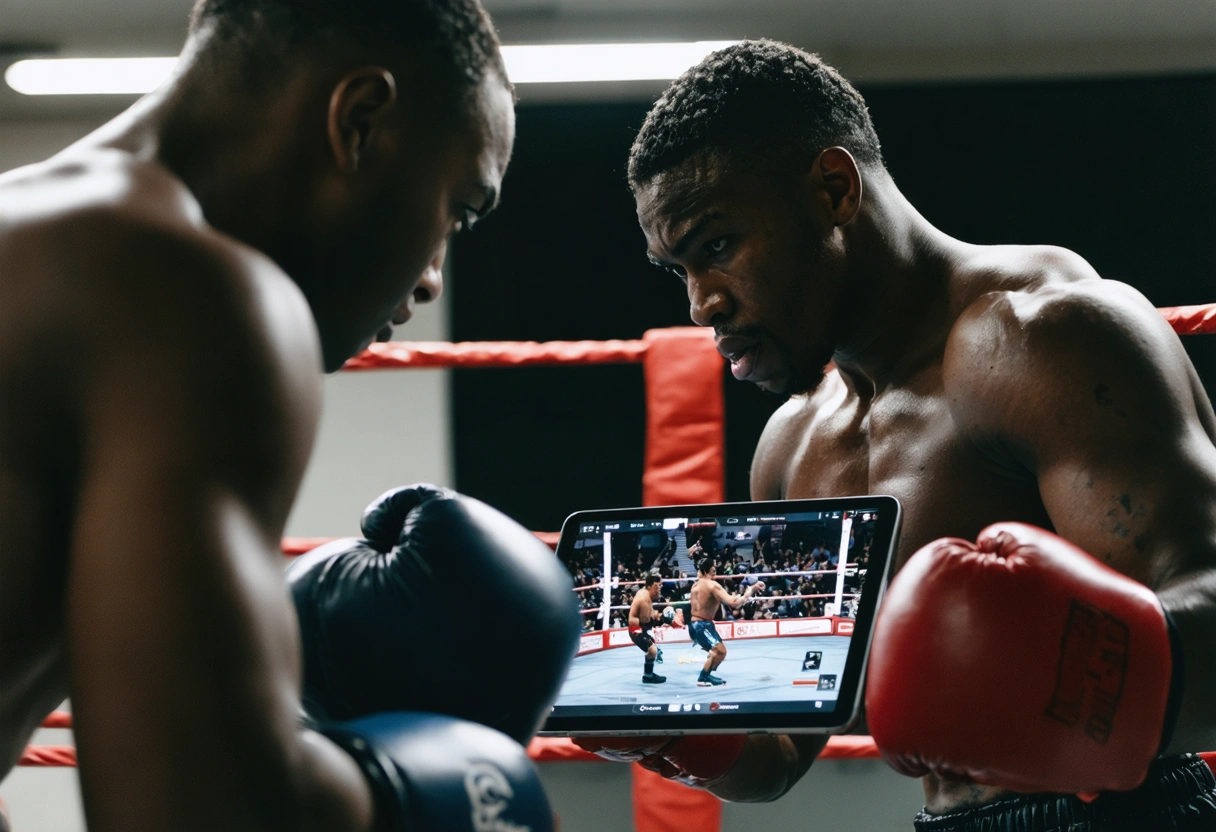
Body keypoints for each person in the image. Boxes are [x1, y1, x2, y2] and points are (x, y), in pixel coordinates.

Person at [576, 40, 1216, 828]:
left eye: (717, 246)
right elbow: (778, 755)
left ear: (833, 189)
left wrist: (1048, 679)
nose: (702, 302)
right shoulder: (792, 448)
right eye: (678, 269)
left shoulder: (1044, 339)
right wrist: (676, 729)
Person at [0, 1, 578, 830]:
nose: (432, 279)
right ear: (361, 122)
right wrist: (425, 792)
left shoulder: (37, 232)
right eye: (456, 209)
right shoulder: (189, 295)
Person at [687, 557, 765, 686]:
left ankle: (708, 673)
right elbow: (733, 603)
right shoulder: (712, 585)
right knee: (719, 651)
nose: (715, 570)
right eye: (713, 568)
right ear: (710, 569)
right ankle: (703, 677)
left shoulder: (696, 585)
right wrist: (749, 592)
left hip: (696, 625)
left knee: (719, 653)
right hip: (702, 625)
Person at [628, 575, 667, 684]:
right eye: (657, 586)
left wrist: (655, 614)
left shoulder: (645, 592)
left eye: (660, 585)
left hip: (639, 627)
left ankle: (648, 675)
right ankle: (648, 677)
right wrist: (661, 618)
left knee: (653, 650)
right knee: (652, 650)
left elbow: (650, 613)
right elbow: (646, 621)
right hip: (636, 629)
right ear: (650, 586)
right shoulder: (644, 598)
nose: (659, 588)